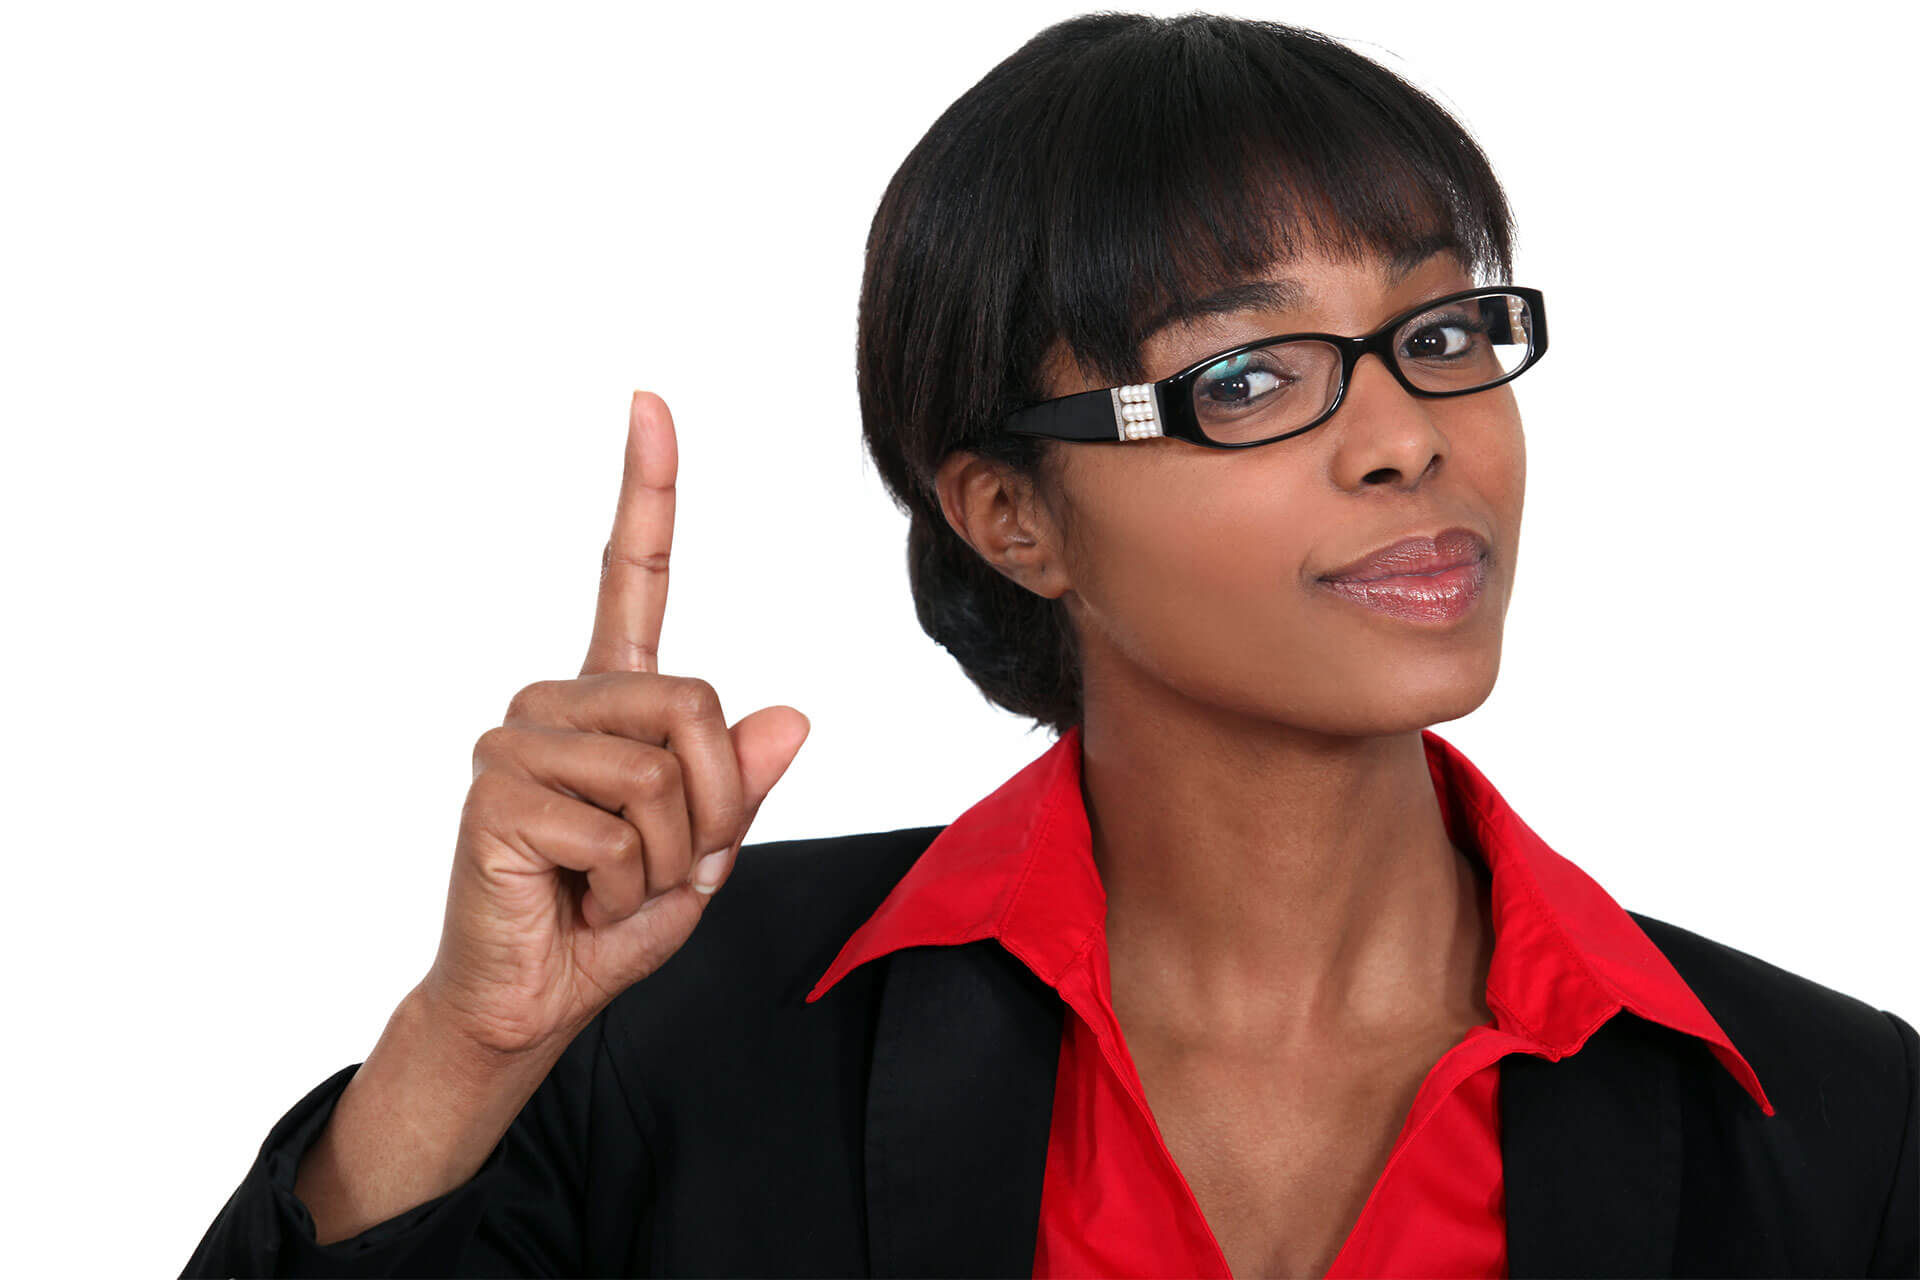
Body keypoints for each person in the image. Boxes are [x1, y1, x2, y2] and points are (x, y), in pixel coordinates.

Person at [182, 12, 1917, 1278]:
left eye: (1440, 327)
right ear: (1011, 517)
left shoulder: (1834, 1130)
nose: (1408, 436)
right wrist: (464, 1058)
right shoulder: (686, 1035)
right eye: (1249, 373)